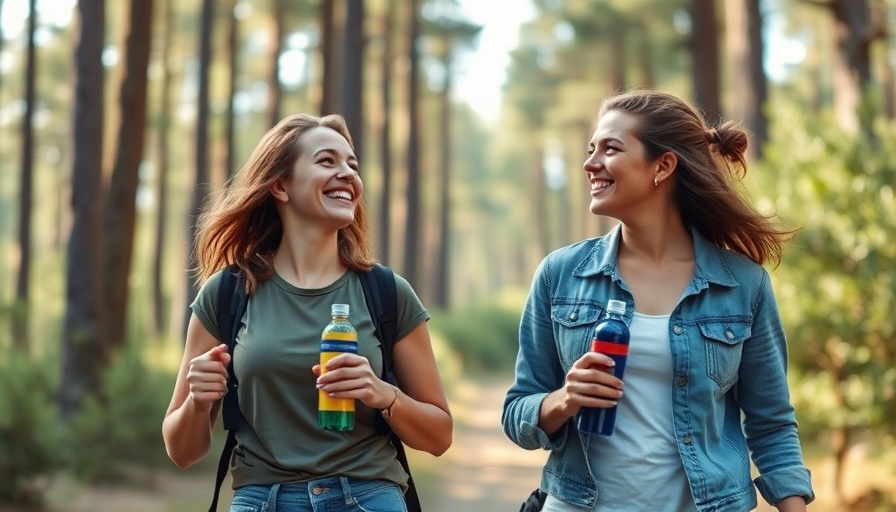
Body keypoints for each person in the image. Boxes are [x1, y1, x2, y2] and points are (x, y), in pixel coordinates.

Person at [502, 90, 815, 512]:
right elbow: (517, 412)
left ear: (663, 166)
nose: (590, 163)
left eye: (610, 149)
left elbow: (772, 423)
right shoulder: (561, 275)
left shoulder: (742, 284)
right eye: (590, 149)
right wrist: (564, 398)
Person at [162, 113, 452, 512]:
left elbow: (439, 437)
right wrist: (197, 401)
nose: (347, 174)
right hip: (263, 499)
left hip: (368, 497)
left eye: (353, 164)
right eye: (327, 161)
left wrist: (384, 394)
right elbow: (182, 451)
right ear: (280, 185)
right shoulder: (228, 293)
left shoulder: (387, 293)